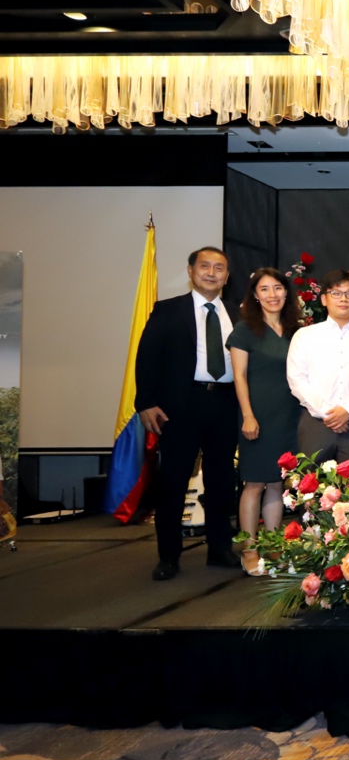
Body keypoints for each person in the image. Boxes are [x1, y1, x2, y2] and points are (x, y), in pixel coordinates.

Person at [135, 247, 241, 580]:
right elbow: (147, 357)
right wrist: (145, 403)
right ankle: (168, 556)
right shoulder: (168, 310)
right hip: (180, 406)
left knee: (222, 482)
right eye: (205, 266)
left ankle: (220, 549)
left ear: (227, 275)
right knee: (173, 482)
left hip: (225, 405)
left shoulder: (237, 314)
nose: (212, 273)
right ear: (190, 271)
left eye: (219, 268)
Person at [227, 267, 302, 576]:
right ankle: (249, 548)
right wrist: (247, 415)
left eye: (278, 288)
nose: (273, 295)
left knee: (276, 483)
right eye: (265, 289)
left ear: (287, 293)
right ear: (255, 296)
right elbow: (239, 377)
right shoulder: (245, 330)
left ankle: (273, 546)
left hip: (290, 416)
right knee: (255, 483)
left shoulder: (297, 329)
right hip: (257, 415)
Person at [287, 270, 349, 477]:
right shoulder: (305, 336)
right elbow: (297, 379)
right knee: (312, 492)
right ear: (324, 299)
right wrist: (329, 413)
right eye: (336, 293)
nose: (343, 299)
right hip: (315, 423)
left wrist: (348, 410)